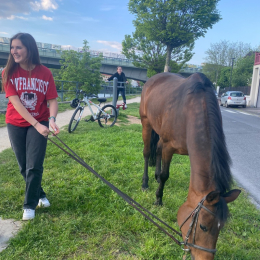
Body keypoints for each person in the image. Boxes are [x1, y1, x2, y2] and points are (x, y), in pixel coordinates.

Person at [2, 33, 60, 220]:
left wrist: (51, 120)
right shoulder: (8, 72)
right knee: (23, 166)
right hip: (16, 123)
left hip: (41, 120)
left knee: (34, 165)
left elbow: (52, 100)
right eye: (12, 47)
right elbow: (16, 103)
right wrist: (35, 124)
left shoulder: (45, 73)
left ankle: (29, 206)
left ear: (29, 48)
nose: (14, 51)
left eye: (18, 47)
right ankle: (40, 194)